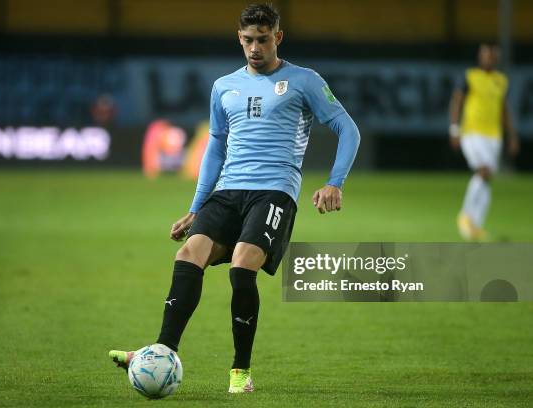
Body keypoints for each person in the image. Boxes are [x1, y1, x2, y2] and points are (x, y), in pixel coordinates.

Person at [109, 3, 360, 393]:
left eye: (262, 39)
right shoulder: (224, 86)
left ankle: (240, 372)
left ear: (278, 37)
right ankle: (160, 351)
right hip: (228, 191)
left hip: (274, 192)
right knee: (188, 254)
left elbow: (348, 128)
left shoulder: (304, 81)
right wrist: (196, 208)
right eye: (247, 40)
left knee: (242, 266)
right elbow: (215, 146)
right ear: (239, 38)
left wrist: (335, 182)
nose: (254, 48)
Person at [449, 43, 519, 241]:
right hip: (471, 133)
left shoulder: (501, 81)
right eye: (486, 56)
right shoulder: (470, 76)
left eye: (492, 56)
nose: (489, 59)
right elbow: (457, 101)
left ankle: (476, 225)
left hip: (493, 136)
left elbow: (504, 110)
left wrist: (512, 135)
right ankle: (465, 216)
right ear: (480, 57)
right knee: (483, 171)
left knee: (487, 179)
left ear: (496, 59)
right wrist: (454, 128)